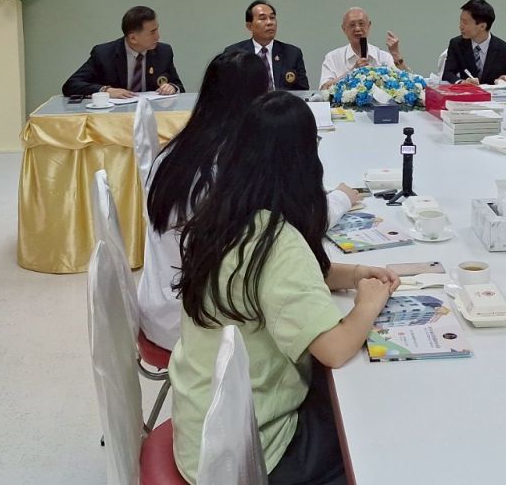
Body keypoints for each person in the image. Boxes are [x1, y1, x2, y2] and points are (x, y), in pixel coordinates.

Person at [170, 91, 399, 484]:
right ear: (304, 161)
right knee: (372, 431)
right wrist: (368, 303)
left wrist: (355, 273)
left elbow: (278, 278)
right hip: (252, 455)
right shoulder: (276, 242)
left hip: (202, 433)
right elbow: (335, 349)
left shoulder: (225, 215)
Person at [140, 51, 358, 350]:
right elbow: (285, 229)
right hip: (198, 327)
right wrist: (342, 199)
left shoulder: (179, 150)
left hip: (161, 304)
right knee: (319, 324)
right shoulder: (229, 169)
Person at [62, 5, 182, 97]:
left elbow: (178, 85)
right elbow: (71, 85)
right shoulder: (104, 54)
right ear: (133, 38)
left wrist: (172, 87)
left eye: (157, 29)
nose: (158, 36)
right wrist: (107, 90)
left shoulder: (164, 52)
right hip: (113, 116)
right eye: (152, 32)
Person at [224, 0, 309, 91]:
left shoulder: (292, 53)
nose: (270, 23)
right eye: (263, 18)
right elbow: (226, 89)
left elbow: (303, 91)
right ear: (249, 26)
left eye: (272, 18)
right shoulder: (234, 54)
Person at [319, 7, 408, 89]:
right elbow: (324, 88)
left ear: (369, 26)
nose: (357, 29)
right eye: (352, 25)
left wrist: (396, 54)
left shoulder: (383, 57)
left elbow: (407, 84)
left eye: (361, 24)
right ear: (344, 29)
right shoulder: (332, 58)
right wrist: (352, 73)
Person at [441, 0, 506, 86]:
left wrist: (505, 83)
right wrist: (462, 82)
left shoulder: (505, 50)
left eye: (465, 23)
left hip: (492, 95)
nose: (461, 26)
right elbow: (447, 74)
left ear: (482, 26)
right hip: (467, 94)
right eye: (461, 21)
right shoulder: (456, 44)